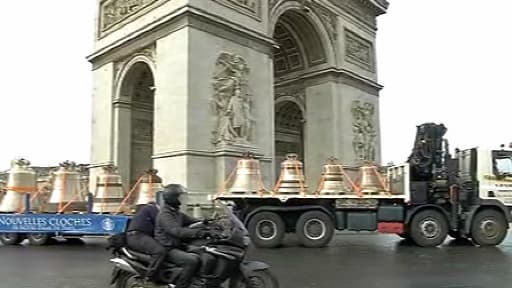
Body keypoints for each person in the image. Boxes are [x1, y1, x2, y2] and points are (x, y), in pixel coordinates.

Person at [155, 184, 216, 288]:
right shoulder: (165, 214)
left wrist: (208, 222)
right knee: (191, 261)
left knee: (207, 254)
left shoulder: (176, 212)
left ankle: (201, 282)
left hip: (178, 245)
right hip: (168, 248)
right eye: (180, 196)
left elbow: (192, 220)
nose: (183, 199)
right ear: (172, 198)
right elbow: (177, 231)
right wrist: (200, 233)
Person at [125, 200, 166, 282]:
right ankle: (149, 278)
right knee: (159, 251)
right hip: (137, 236)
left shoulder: (144, 211)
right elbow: (161, 224)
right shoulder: (151, 208)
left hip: (135, 236)